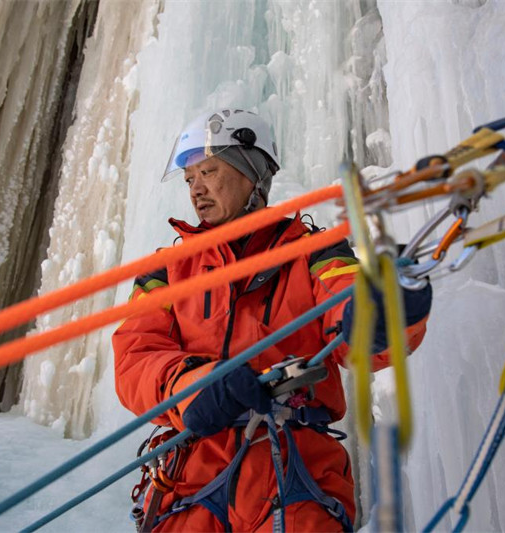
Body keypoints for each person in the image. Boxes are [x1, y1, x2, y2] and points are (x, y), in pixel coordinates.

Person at [112, 109, 432, 532]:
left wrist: (388, 313)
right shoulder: (167, 271)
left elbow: (351, 312)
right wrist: (194, 386)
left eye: (208, 171)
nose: (196, 189)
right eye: (190, 179)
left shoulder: (315, 254)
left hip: (295, 467)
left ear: (252, 175)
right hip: (193, 471)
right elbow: (135, 358)